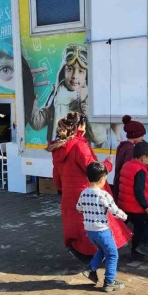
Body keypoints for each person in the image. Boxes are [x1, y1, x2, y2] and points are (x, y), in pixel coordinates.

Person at [47, 112, 133, 262]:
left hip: (69, 195)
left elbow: (57, 174)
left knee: (77, 227)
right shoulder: (80, 146)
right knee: (97, 226)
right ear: (80, 126)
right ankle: (94, 260)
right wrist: (108, 164)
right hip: (87, 193)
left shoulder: (58, 146)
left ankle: (82, 254)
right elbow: (93, 170)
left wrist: (61, 188)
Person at [29, 44, 122, 148]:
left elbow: (98, 138)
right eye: (70, 69)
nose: (74, 76)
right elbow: (37, 123)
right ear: (62, 71)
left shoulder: (91, 99)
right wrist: (29, 90)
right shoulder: (57, 94)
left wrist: (86, 106)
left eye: (81, 71)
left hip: (80, 157)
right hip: (59, 155)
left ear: (87, 75)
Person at [76, 162, 128, 292]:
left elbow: (78, 208)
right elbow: (115, 211)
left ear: (88, 178)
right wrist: (124, 216)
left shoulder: (84, 193)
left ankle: (91, 269)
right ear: (102, 179)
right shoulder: (104, 195)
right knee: (112, 254)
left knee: (103, 250)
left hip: (89, 231)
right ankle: (109, 282)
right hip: (102, 231)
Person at [117, 141, 148, 262]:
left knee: (139, 226)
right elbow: (139, 191)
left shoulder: (127, 164)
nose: (147, 161)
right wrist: (146, 206)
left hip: (124, 205)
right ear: (143, 157)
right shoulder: (140, 170)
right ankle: (144, 245)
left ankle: (136, 252)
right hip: (135, 206)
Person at [112, 115, 148, 199]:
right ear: (136, 136)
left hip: (118, 182)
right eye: (142, 136)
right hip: (125, 184)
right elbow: (131, 168)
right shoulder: (130, 149)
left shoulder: (122, 146)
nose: (142, 138)